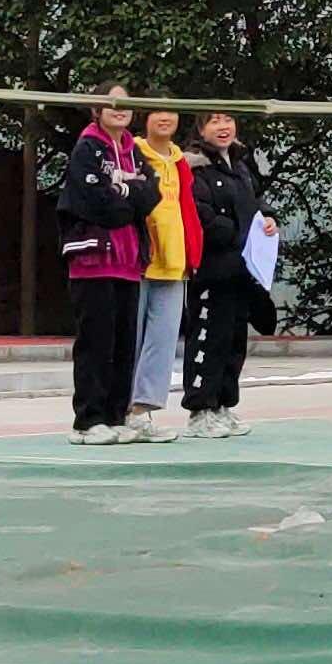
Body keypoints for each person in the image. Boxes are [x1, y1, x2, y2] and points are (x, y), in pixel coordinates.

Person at [59, 90, 158, 443]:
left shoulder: (135, 150)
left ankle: (116, 417)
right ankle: (87, 421)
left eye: (126, 104)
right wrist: (130, 197)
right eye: (112, 104)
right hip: (93, 260)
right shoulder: (87, 148)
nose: (120, 110)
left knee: (123, 344)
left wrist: (127, 194)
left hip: (129, 262)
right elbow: (95, 201)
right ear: (97, 109)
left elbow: (152, 195)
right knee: (95, 343)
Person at [181, 113, 270, 439]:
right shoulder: (194, 166)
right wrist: (237, 234)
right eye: (215, 121)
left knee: (234, 339)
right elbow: (199, 214)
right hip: (211, 269)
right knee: (208, 337)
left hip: (240, 269)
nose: (224, 127)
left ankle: (223, 404)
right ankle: (200, 409)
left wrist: (267, 219)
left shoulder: (241, 166)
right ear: (201, 128)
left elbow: (254, 205)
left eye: (229, 120)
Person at [124, 105, 203, 441]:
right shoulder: (133, 153)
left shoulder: (180, 160)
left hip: (175, 260)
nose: (165, 117)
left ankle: (143, 413)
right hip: (140, 259)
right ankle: (121, 408)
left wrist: (192, 251)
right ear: (146, 120)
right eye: (157, 112)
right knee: (131, 338)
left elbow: (186, 207)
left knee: (164, 340)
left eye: (171, 112)